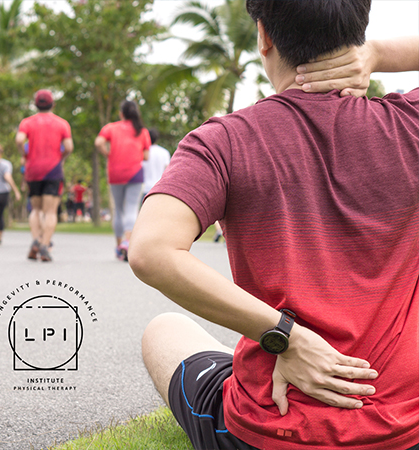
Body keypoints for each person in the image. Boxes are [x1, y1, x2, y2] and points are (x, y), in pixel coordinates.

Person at [128, 1, 419, 448]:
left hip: (268, 432)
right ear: (359, 29)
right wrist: (377, 53)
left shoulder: (224, 140)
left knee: (163, 330)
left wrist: (286, 337)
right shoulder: (410, 124)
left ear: (264, 36)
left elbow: (151, 250)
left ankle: (265, 348)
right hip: (402, 431)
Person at [15, 89, 73, 262]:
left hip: (33, 170)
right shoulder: (62, 123)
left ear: (35, 104)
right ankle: (45, 245)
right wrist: (61, 158)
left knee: (36, 209)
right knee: (50, 211)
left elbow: (19, 140)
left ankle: (36, 240)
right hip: (53, 170)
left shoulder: (27, 122)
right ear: (52, 104)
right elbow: (69, 147)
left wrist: (25, 155)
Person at [95, 100, 151, 261]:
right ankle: (128, 242)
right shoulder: (142, 131)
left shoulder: (111, 127)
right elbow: (146, 156)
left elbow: (98, 142)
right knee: (131, 208)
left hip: (115, 173)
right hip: (134, 174)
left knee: (118, 210)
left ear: (121, 113)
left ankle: (119, 245)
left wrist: (107, 153)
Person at [142, 128, 171, 199]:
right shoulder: (164, 152)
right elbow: (167, 171)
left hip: (144, 188)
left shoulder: (143, 152)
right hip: (159, 188)